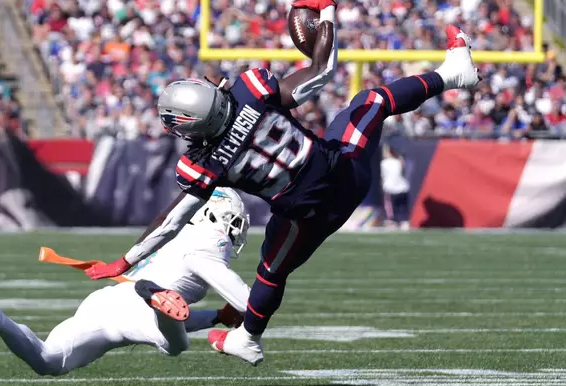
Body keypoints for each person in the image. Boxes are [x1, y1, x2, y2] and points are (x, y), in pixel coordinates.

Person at [84, 0, 479, 365]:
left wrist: (125, 260)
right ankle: (451, 74)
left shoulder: (202, 164)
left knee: (270, 274)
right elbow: (322, 70)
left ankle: (249, 338)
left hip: (303, 218)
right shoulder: (252, 91)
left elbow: (170, 223)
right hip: (345, 174)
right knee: (372, 102)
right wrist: (326, 11)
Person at [0, 188, 252, 376]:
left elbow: (179, 314)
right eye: (235, 222)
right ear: (218, 216)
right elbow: (249, 303)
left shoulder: (174, 233)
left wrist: (217, 317)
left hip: (109, 300)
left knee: (49, 360)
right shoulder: (210, 248)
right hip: (140, 308)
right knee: (173, 345)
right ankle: (158, 302)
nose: (236, 231)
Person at [381, 146, 410, 230]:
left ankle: (392, 222)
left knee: (390, 207)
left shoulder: (384, 163)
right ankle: (404, 222)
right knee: (402, 207)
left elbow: (383, 177)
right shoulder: (398, 161)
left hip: (390, 188)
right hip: (403, 187)